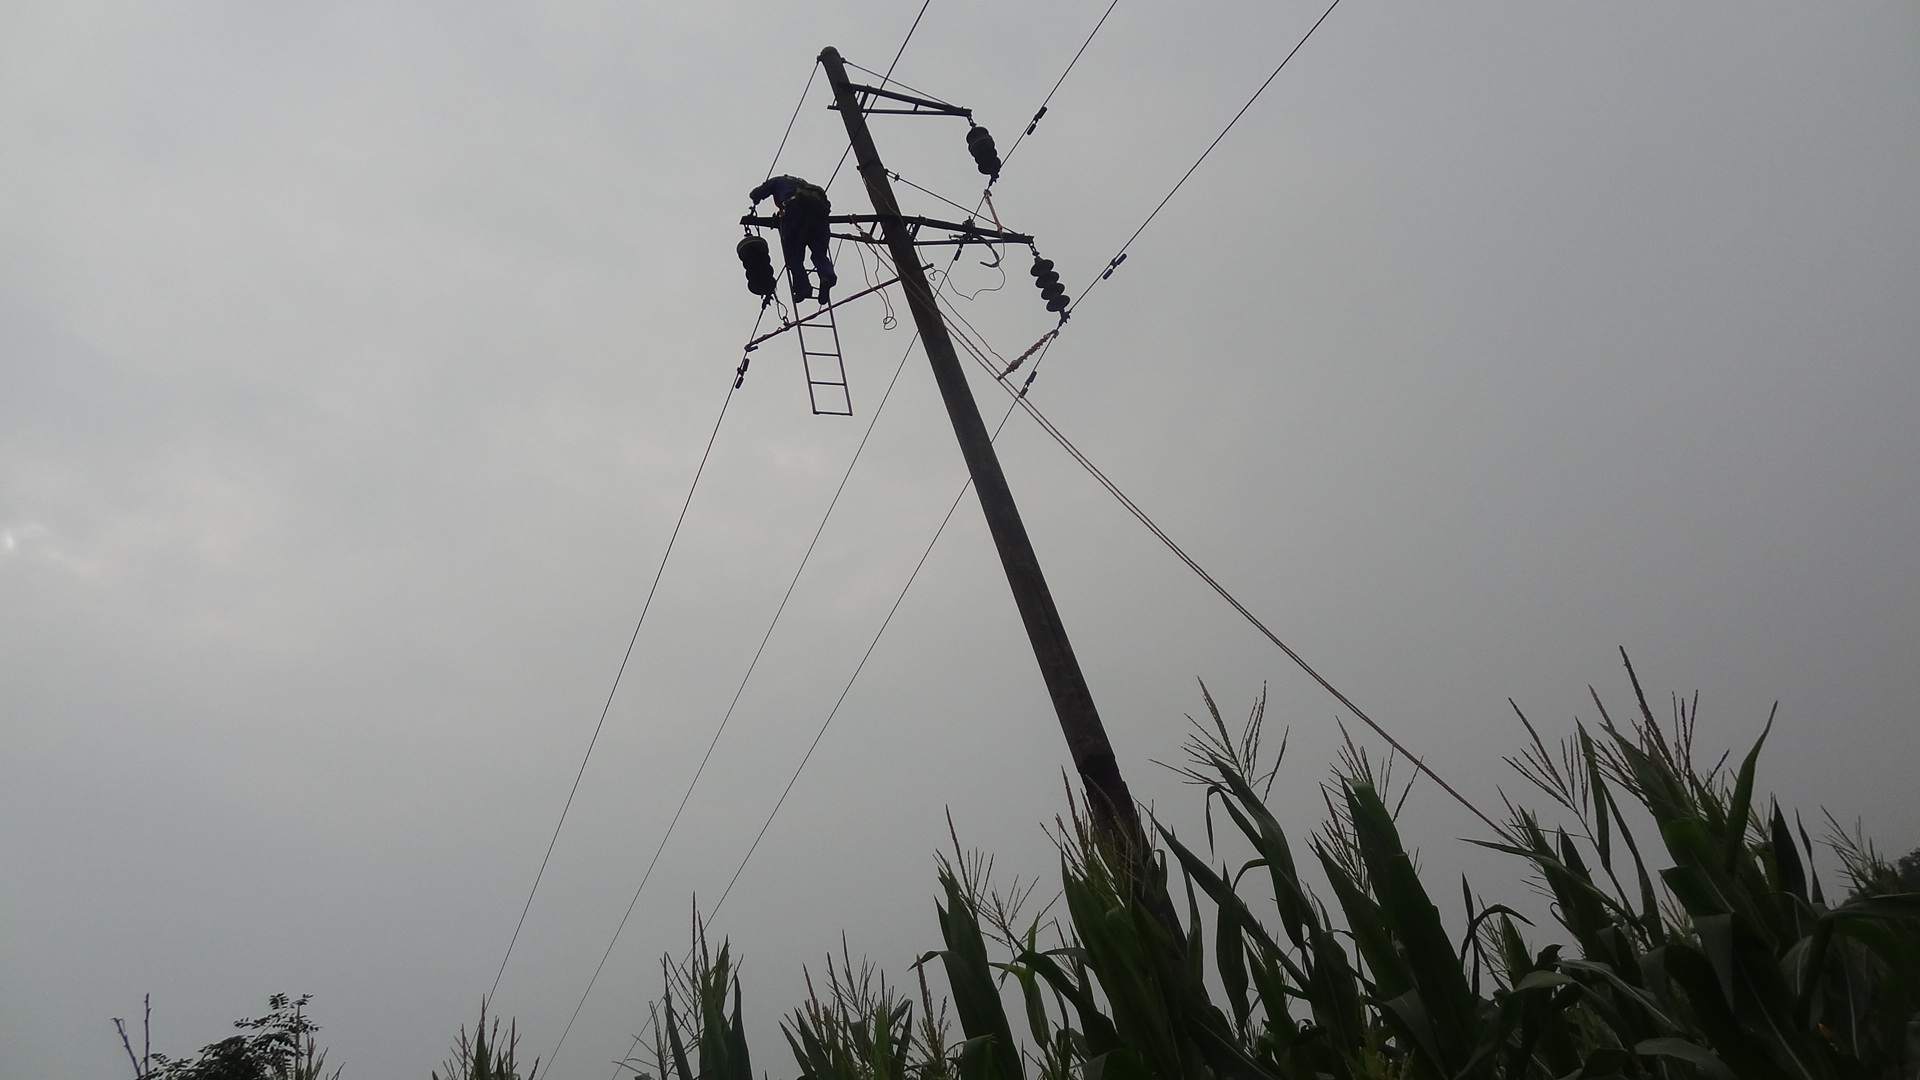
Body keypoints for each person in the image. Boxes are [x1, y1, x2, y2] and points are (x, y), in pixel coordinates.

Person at [749, 175, 837, 304]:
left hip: (796, 211)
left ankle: (803, 288)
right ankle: (826, 276)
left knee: (793, 255)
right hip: (819, 216)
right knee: (819, 253)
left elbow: (757, 193)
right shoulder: (805, 185)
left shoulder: (779, 181)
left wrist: (755, 199)